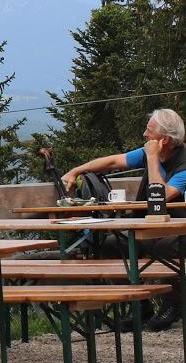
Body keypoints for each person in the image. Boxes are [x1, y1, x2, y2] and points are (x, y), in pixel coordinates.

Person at [61, 107, 186, 331]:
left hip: (180, 230)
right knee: (112, 244)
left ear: (165, 140)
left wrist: (151, 158)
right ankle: (138, 305)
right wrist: (75, 171)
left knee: (167, 249)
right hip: (149, 228)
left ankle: (172, 305)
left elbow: (162, 195)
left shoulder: (183, 163)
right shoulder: (152, 152)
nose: (145, 136)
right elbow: (112, 163)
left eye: (150, 132)